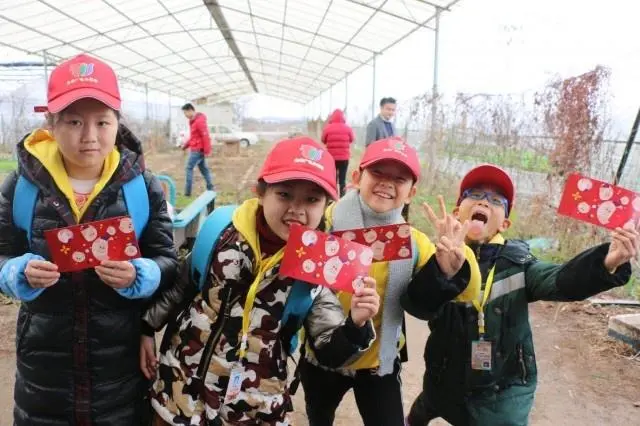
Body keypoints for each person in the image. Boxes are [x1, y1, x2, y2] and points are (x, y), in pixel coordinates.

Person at [141, 136, 381, 425]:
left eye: (312, 199)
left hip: (254, 407)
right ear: (261, 191)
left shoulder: (320, 265)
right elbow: (181, 287)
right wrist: (147, 328)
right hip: (179, 391)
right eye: (284, 194)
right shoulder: (221, 231)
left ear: (327, 204)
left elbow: (328, 350)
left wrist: (354, 325)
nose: (297, 209)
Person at [0, 53, 178, 425]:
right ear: (50, 122)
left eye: (102, 121)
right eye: (74, 121)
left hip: (119, 371)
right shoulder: (22, 187)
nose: (89, 136)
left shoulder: (141, 189)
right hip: (44, 375)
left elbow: (167, 259)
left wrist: (141, 275)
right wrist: (16, 273)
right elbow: (1, 255)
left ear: (117, 121)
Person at [403, 164, 639, 426]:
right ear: (458, 211)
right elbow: (418, 305)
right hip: (444, 378)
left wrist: (607, 262)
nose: (485, 202)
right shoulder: (436, 256)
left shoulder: (519, 263)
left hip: (502, 390)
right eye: (475, 194)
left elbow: (559, 281)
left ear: (505, 223)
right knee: (423, 410)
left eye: (496, 200)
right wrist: (441, 271)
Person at [300, 137, 482, 426]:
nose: (387, 183)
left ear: (411, 192)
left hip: (377, 365)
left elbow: (445, 298)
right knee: (319, 416)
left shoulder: (415, 243)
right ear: (358, 176)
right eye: (378, 173)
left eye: (399, 178)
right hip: (324, 356)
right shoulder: (324, 223)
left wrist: (447, 269)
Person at [181, 103, 214, 196]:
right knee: (204, 170)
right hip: (197, 149)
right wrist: (185, 146)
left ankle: (187, 193)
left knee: (189, 168)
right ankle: (210, 187)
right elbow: (193, 137)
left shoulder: (199, 121)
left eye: (185, 113)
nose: (185, 115)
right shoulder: (193, 121)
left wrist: (207, 150)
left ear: (190, 110)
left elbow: (205, 135)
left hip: (197, 150)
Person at [322, 108, 355, 197]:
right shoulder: (348, 128)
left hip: (331, 158)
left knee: (333, 178)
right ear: (343, 117)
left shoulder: (328, 128)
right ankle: (342, 197)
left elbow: (323, 140)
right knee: (342, 179)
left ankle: (333, 196)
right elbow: (352, 139)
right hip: (344, 158)